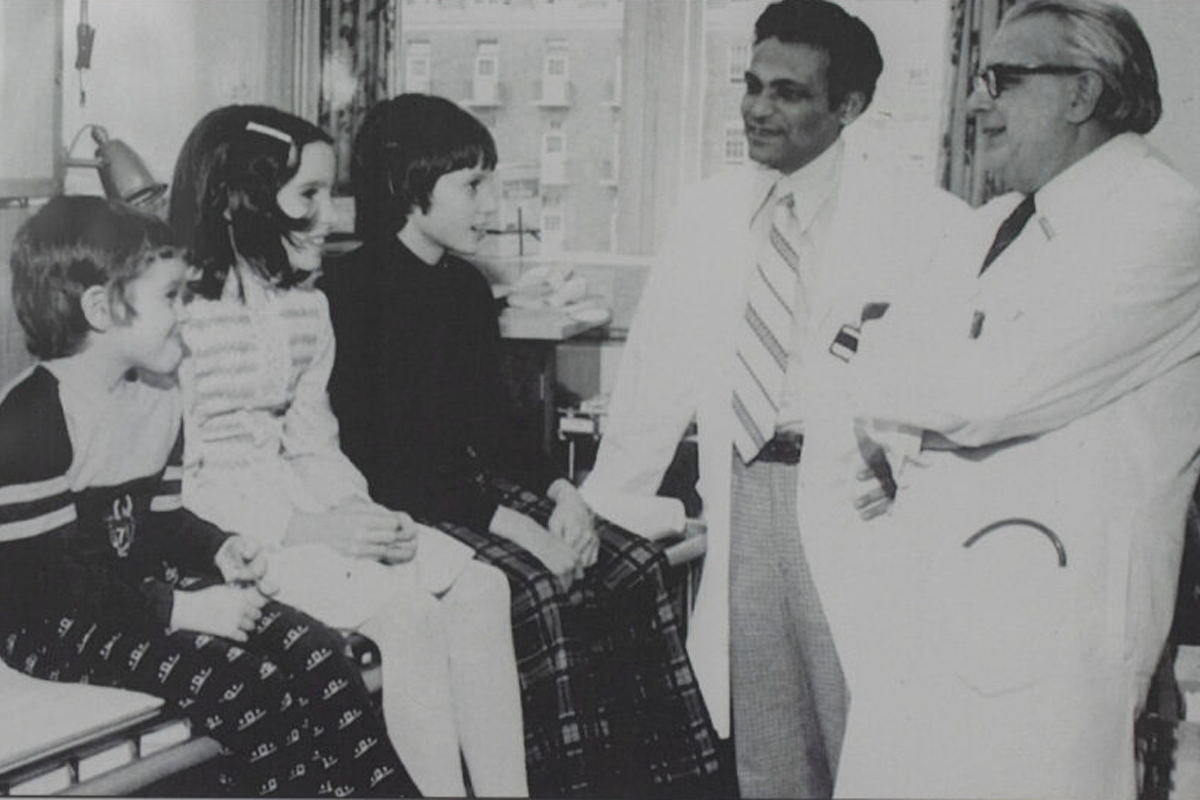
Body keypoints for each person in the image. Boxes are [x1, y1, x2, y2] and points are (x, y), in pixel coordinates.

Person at [809, 0, 1200, 796]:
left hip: (1051, 638)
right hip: (929, 615)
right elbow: (855, 350)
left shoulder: (1166, 222)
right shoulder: (991, 223)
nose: (977, 102)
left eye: (1004, 80)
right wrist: (917, 393)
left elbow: (992, 390)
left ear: (1081, 94)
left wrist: (915, 396)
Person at [581, 0, 962, 795]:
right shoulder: (707, 212)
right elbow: (656, 369)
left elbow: (955, 376)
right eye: (752, 85)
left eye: (787, 92)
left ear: (848, 106)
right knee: (765, 744)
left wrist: (915, 468)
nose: (757, 107)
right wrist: (607, 501)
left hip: (859, 503)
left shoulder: (926, 222)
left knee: (866, 730)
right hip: (745, 489)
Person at [320, 93, 722, 797]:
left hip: (469, 491)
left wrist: (563, 493)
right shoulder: (355, 293)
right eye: (472, 184)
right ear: (407, 188)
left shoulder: (466, 288)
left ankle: (652, 782)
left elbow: (497, 426)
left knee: (634, 567)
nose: (491, 202)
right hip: (407, 509)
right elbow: (390, 467)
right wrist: (517, 527)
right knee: (535, 588)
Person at [0, 196, 419, 798]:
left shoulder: (159, 396)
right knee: (252, 687)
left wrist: (218, 550)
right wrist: (181, 609)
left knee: (322, 652)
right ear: (100, 308)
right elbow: (51, 584)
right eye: (171, 296)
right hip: (51, 623)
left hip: (138, 596)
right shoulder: (30, 422)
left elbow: (166, 524)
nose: (185, 315)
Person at [169, 105, 526, 798]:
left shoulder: (306, 304)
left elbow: (314, 442)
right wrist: (316, 529)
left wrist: (363, 516)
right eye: (309, 195)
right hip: (230, 528)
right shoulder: (182, 310)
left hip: (312, 503)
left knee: (485, 585)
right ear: (239, 197)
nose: (329, 215)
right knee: (411, 614)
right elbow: (186, 480)